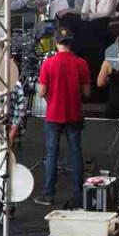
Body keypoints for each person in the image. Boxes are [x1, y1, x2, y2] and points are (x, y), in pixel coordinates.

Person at [35, 27, 89, 206]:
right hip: (74, 114)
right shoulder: (81, 63)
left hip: (53, 114)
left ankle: (49, 194)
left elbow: (42, 91)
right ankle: (79, 194)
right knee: (76, 154)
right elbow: (87, 92)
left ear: (56, 42)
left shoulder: (48, 63)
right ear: (71, 43)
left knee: (52, 155)